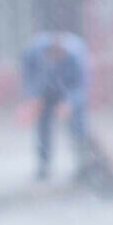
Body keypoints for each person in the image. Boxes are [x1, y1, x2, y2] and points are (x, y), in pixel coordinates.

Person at [20, 31, 91, 182]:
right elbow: (27, 75)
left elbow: (80, 86)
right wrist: (32, 97)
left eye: (58, 60)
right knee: (43, 128)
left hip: (68, 91)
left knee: (78, 128)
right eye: (51, 59)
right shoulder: (33, 52)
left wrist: (69, 103)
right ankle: (44, 166)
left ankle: (83, 166)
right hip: (45, 91)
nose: (54, 63)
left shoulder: (76, 55)